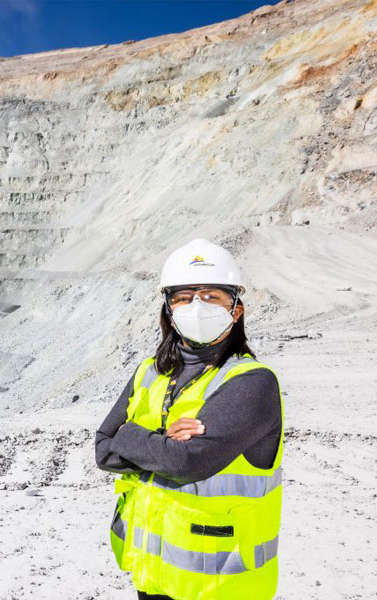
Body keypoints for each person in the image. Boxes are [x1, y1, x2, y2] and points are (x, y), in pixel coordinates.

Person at [95, 239, 283, 600]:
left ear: (236, 310)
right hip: (153, 576)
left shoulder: (251, 381)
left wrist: (131, 434)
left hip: (223, 583)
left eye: (212, 296)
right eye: (184, 297)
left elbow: (187, 461)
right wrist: (163, 437)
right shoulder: (149, 373)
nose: (197, 306)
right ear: (168, 308)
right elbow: (103, 448)